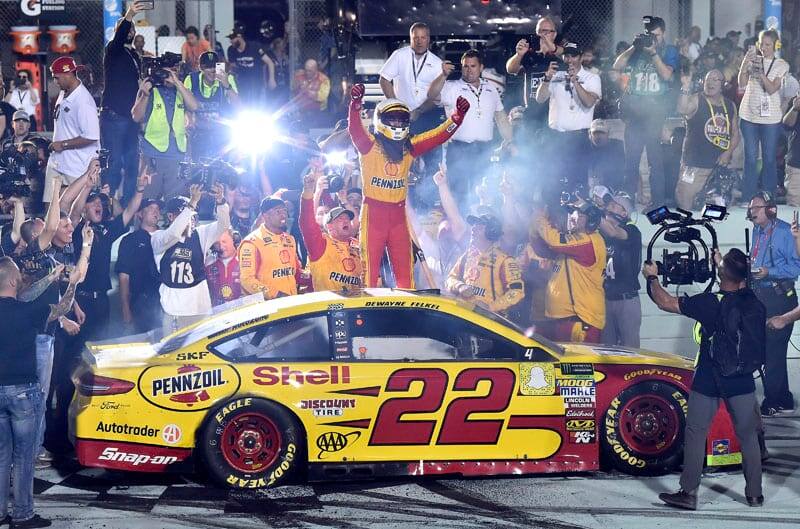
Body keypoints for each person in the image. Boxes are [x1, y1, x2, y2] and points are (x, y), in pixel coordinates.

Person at [644, 249, 765, 510]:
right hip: (742, 377)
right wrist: (723, 262)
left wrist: (652, 277)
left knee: (697, 432)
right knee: (748, 436)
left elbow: (664, 301)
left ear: (721, 274)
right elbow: (736, 277)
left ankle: (688, 493)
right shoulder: (754, 300)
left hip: (710, 377)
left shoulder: (710, 302)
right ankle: (755, 494)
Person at [348, 83, 470, 288]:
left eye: (401, 119)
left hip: (398, 218)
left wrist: (457, 118)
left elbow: (438, 135)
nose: (396, 124)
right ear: (380, 122)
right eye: (392, 119)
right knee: (369, 275)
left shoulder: (409, 147)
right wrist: (355, 105)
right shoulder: (368, 144)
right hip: (373, 216)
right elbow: (354, 129)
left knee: (406, 277)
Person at [0, 254, 87, 529]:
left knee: (1, 454)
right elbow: (62, 308)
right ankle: (22, 514)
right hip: (23, 390)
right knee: (24, 457)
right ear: (14, 280)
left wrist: (51, 276)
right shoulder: (27, 310)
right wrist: (71, 283)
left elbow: (27, 291)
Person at [427, 50, 512, 206]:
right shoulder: (451, 87)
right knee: (458, 194)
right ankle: (459, 227)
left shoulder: (491, 89)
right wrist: (443, 75)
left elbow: (500, 117)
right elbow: (431, 95)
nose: (469, 69)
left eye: (473, 66)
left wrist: (510, 140)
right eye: (465, 66)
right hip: (459, 149)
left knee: (485, 192)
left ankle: (483, 226)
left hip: (484, 150)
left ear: (481, 68)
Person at [613, 16, 680, 206]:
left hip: (655, 113)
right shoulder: (637, 49)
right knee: (631, 161)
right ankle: (627, 203)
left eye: (656, 35)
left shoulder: (669, 50)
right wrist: (634, 46)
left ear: (663, 33)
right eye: (649, 35)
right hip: (634, 113)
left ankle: (657, 203)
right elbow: (617, 66)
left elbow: (667, 75)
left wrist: (653, 53)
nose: (653, 39)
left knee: (655, 161)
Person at [747, 192, 800, 415]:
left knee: (774, 351)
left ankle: (773, 401)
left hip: (780, 298)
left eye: (757, 208)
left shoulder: (785, 232)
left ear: (770, 209)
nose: (752, 212)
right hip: (762, 296)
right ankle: (783, 397)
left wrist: (770, 272)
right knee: (768, 350)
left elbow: (796, 269)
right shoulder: (757, 231)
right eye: (751, 209)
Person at [152, 184, 230, 335]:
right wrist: (192, 203)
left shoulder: (200, 235)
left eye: (193, 215)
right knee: (173, 354)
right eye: (187, 214)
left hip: (199, 308)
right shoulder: (158, 237)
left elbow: (224, 224)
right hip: (172, 309)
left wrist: (220, 200)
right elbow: (174, 233)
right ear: (170, 217)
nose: (191, 219)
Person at [532, 201, 607, 342]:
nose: (574, 217)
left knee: (582, 363)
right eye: (574, 213)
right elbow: (542, 250)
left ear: (591, 221)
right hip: (564, 319)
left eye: (580, 215)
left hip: (582, 319)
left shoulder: (590, 240)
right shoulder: (574, 242)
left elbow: (555, 241)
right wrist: (534, 228)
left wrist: (539, 219)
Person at [536, 42, 601, 191]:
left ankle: (578, 213)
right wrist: (546, 79)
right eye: (567, 55)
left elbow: (589, 102)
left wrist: (575, 82)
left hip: (578, 139)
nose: (570, 59)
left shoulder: (592, 78)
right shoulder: (555, 76)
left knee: (577, 183)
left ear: (581, 57)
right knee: (553, 183)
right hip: (555, 138)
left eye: (574, 56)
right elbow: (540, 99)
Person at [674, 69, 740, 210]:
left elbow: (735, 134)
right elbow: (682, 109)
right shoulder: (696, 99)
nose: (710, 82)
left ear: (722, 85)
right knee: (686, 204)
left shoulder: (730, 105)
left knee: (716, 211)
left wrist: (727, 153)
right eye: (708, 79)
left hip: (719, 169)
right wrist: (685, 87)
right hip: (694, 166)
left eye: (715, 79)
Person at [101, 1, 146, 204]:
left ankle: (128, 206)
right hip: (115, 117)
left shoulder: (132, 54)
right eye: (127, 28)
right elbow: (119, 38)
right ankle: (108, 204)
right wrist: (129, 16)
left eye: (132, 29)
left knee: (131, 164)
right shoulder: (113, 50)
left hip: (131, 118)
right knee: (114, 162)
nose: (130, 31)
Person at [131, 65, 199, 200]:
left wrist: (177, 83)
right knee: (148, 202)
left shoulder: (181, 91)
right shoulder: (151, 91)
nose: (169, 75)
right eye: (166, 72)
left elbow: (194, 106)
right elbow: (136, 116)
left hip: (177, 156)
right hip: (152, 155)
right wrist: (144, 94)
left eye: (173, 71)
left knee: (175, 203)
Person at [738, 30, 789, 199]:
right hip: (749, 116)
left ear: (776, 45)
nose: (764, 47)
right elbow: (741, 83)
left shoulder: (781, 64)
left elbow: (772, 88)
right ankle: (748, 197)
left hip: (771, 119)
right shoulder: (752, 60)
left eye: (768, 44)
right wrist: (746, 62)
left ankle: (768, 198)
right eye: (762, 44)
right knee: (750, 159)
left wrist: (759, 72)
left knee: (768, 159)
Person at [45, 56, 100, 204]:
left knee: (73, 211)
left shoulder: (84, 101)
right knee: (50, 207)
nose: (55, 82)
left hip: (77, 166)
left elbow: (92, 136)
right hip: (58, 162)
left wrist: (62, 144)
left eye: (57, 78)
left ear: (68, 75)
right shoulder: (65, 92)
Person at [446, 214, 524, 315]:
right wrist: (459, 286)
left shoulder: (505, 260)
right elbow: (450, 279)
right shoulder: (467, 255)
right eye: (473, 225)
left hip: (488, 322)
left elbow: (517, 292)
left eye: (479, 226)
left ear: (491, 232)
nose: (473, 228)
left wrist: (491, 307)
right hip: (462, 315)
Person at [299, 172, 362, 291]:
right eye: (340, 219)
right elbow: (306, 223)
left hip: (356, 304)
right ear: (330, 227)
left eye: (348, 219)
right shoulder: (321, 244)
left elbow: (357, 222)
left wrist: (344, 199)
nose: (346, 221)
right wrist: (308, 192)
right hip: (329, 305)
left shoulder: (357, 244)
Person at [379, 22, 444, 132]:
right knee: (402, 149)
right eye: (416, 38)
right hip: (400, 119)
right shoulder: (399, 55)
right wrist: (396, 106)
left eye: (423, 37)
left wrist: (419, 111)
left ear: (428, 39)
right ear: (410, 38)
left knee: (428, 148)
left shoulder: (437, 63)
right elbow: (384, 79)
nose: (419, 41)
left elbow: (437, 96)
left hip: (427, 116)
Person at [596, 191, 642, 347]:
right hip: (606, 298)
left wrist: (591, 210)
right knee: (606, 349)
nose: (610, 206)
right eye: (610, 204)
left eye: (615, 205)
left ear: (624, 213)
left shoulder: (632, 231)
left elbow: (614, 232)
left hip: (626, 300)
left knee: (630, 350)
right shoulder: (600, 233)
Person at [238, 197, 302, 299]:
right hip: (268, 308)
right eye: (278, 211)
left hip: (292, 303)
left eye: (284, 210)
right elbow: (246, 280)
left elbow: (296, 272)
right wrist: (275, 294)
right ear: (265, 216)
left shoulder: (290, 239)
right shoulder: (252, 242)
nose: (283, 214)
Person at [116, 198, 162, 333]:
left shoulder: (166, 236)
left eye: (158, 209)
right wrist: (125, 308)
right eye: (151, 208)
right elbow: (123, 276)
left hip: (166, 300)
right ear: (140, 214)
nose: (156, 212)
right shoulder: (129, 240)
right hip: (141, 301)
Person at [184, 51, 239, 160]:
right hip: (199, 133)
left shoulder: (227, 78)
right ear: (201, 68)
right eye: (208, 67)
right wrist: (188, 120)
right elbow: (185, 106)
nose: (213, 70)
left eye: (215, 66)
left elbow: (238, 106)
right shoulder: (191, 79)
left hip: (223, 133)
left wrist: (226, 85)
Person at [226, 29, 274, 105]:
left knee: (258, 104)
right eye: (230, 39)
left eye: (233, 38)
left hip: (257, 83)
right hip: (242, 84)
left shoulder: (254, 47)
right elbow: (232, 67)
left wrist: (271, 79)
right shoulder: (231, 50)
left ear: (239, 37)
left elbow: (269, 62)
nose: (231, 41)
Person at [588, 119, 625, 191]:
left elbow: (631, 167)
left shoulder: (617, 146)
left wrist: (640, 192)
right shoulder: (585, 148)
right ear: (590, 134)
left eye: (602, 132)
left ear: (608, 134)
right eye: (595, 133)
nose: (598, 136)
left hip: (615, 190)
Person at [205, 230, 241, 306]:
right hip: (216, 313)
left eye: (224, 242)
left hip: (241, 312)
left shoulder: (244, 259)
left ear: (233, 241)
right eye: (217, 243)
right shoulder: (208, 262)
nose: (221, 246)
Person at [783, 94, 800, 206]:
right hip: (796, 165)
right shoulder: (796, 100)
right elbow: (786, 125)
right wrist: (795, 108)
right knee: (793, 210)